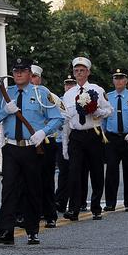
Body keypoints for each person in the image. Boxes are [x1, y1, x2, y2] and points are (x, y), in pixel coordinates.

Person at [0, 57, 63, 245]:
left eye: (23, 70)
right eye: (16, 71)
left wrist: (42, 132)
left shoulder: (41, 93)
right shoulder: (6, 93)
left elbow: (57, 118)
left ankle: (32, 230)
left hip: (32, 147)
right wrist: (5, 110)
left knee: (32, 188)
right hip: (12, 147)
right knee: (9, 189)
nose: (19, 74)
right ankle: (5, 231)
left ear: (30, 74)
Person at [61, 57, 112, 221]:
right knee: (74, 172)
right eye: (76, 71)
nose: (79, 73)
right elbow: (66, 121)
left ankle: (96, 207)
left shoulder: (97, 90)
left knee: (96, 171)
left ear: (88, 72)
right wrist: (65, 144)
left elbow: (109, 110)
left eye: (82, 70)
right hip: (76, 135)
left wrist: (97, 112)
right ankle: (74, 208)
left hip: (93, 133)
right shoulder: (68, 95)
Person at [103, 68, 128, 212]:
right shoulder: (107, 97)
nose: (119, 81)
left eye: (121, 78)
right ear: (113, 80)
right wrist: (104, 135)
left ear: (126, 81)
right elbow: (103, 118)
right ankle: (110, 202)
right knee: (111, 171)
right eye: (116, 78)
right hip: (113, 138)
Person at [28, 64, 61, 229]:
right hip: (26, 143)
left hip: (45, 142)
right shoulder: (21, 94)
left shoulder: (48, 95)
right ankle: (26, 213)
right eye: (30, 75)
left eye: (34, 76)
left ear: (39, 78)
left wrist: (46, 126)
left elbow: (62, 115)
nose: (32, 79)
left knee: (46, 180)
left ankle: (50, 214)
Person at [55, 75, 76, 214]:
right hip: (59, 140)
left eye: (71, 84)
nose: (69, 86)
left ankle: (75, 200)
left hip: (73, 139)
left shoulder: (78, 100)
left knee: (73, 172)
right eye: (67, 84)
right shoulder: (58, 101)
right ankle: (60, 201)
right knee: (63, 172)